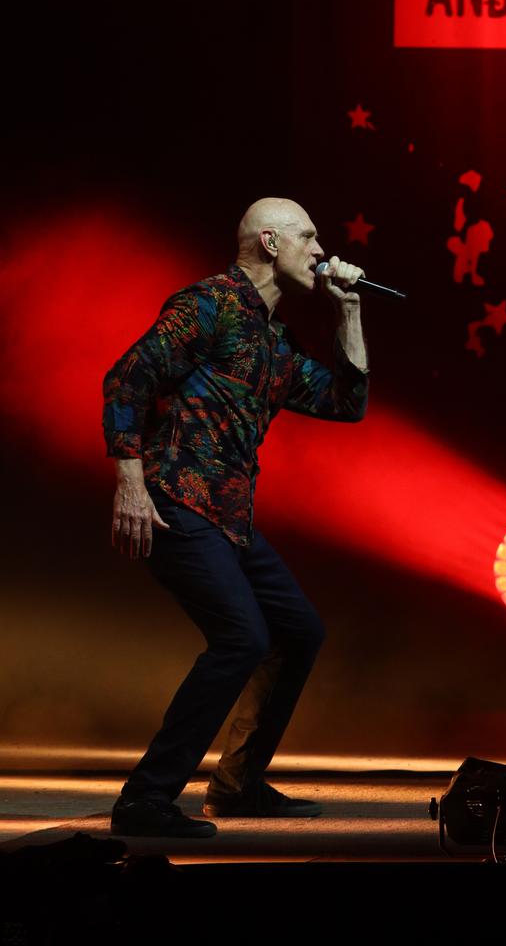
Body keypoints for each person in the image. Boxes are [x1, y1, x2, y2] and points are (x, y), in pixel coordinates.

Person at [102, 197, 369, 837]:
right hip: (174, 503)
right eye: (308, 237)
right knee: (241, 638)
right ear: (272, 244)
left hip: (230, 516)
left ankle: (238, 783)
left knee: (297, 630)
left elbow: (345, 402)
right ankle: (145, 798)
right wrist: (130, 487)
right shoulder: (207, 305)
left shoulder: (275, 340)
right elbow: (125, 380)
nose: (320, 250)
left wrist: (350, 310)